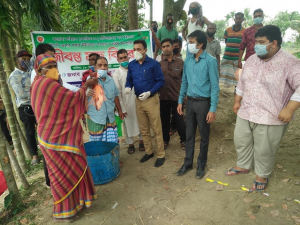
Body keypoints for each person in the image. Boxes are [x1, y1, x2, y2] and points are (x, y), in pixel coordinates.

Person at [226, 25, 300, 191]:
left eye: (261, 42)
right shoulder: (252, 59)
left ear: (274, 43)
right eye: (256, 42)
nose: (256, 45)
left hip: (270, 116)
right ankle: (243, 165)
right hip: (246, 111)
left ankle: (262, 174)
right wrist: (237, 101)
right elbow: (243, 82)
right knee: (241, 140)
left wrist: (290, 109)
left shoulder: (290, 63)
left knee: (264, 149)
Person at [31, 54, 98, 222]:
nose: (54, 68)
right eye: (50, 66)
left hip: (50, 136)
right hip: (57, 138)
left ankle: (75, 206)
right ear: (40, 70)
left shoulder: (38, 85)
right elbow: (70, 100)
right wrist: (85, 87)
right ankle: (66, 211)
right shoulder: (46, 84)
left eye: (55, 64)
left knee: (63, 175)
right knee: (64, 176)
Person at [176, 30, 220, 179]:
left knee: (204, 135)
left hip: (203, 103)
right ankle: (187, 163)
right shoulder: (188, 60)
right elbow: (184, 82)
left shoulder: (210, 61)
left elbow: (215, 86)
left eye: (192, 42)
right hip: (190, 102)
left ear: (200, 44)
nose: (189, 45)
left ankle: (201, 164)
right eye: (189, 42)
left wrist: (212, 109)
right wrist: (180, 100)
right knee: (189, 134)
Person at [125, 39, 165, 167]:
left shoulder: (153, 64)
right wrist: (128, 87)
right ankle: (149, 152)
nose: (136, 52)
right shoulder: (132, 65)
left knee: (156, 128)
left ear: (145, 50)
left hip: (151, 100)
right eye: (134, 49)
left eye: (139, 49)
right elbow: (129, 80)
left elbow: (161, 81)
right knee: (144, 128)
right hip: (138, 101)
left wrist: (150, 92)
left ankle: (161, 154)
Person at [8, 50, 39, 166]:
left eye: (28, 59)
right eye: (23, 59)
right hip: (26, 107)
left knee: (42, 126)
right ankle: (34, 155)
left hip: (38, 104)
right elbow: (20, 94)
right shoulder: (14, 76)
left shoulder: (33, 72)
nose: (26, 61)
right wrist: (37, 91)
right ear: (17, 61)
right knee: (30, 130)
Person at [113, 49, 144, 154]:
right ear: (117, 60)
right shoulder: (116, 73)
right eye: (121, 58)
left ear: (128, 57)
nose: (123, 59)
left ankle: (141, 141)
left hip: (139, 100)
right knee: (128, 124)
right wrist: (121, 108)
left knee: (141, 121)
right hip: (126, 103)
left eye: (125, 57)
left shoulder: (135, 68)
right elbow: (117, 92)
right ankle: (131, 144)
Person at [87, 56, 123, 143]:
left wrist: (120, 110)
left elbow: (115, 96)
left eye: (105, 65)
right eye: (100, 65)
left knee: (112, 143)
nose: (103, 67)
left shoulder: (111, 80)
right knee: (97, 145)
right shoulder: (90, 80)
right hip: (96, 119)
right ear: (95, 67)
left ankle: (112, 157)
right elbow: (85, 94)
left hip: (110, 117)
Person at [159, 38, 186, 150]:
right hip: (163, 96)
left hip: (177, 97)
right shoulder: (159, 64)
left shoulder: (180, 62)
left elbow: (185, 79)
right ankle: (165, 140)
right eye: (164, 46)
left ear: (172, 47)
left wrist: (185, 95)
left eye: (168, 46)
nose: (166, 48)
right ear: (162, 49)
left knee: (179, 119)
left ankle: (184, 140)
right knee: (164, 120)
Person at [219, 12, 245, 87]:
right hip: (227, 57)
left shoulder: (244, 31)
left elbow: (243, 46)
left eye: (240, 18)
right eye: (236, 18)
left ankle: (236, 92)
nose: (238, 20)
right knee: (224, 76)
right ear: (234, 19)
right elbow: (226, 41)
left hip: (236, 58)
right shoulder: (227, 30)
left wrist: (239, 59)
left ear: (242, 19)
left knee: (237, 78)